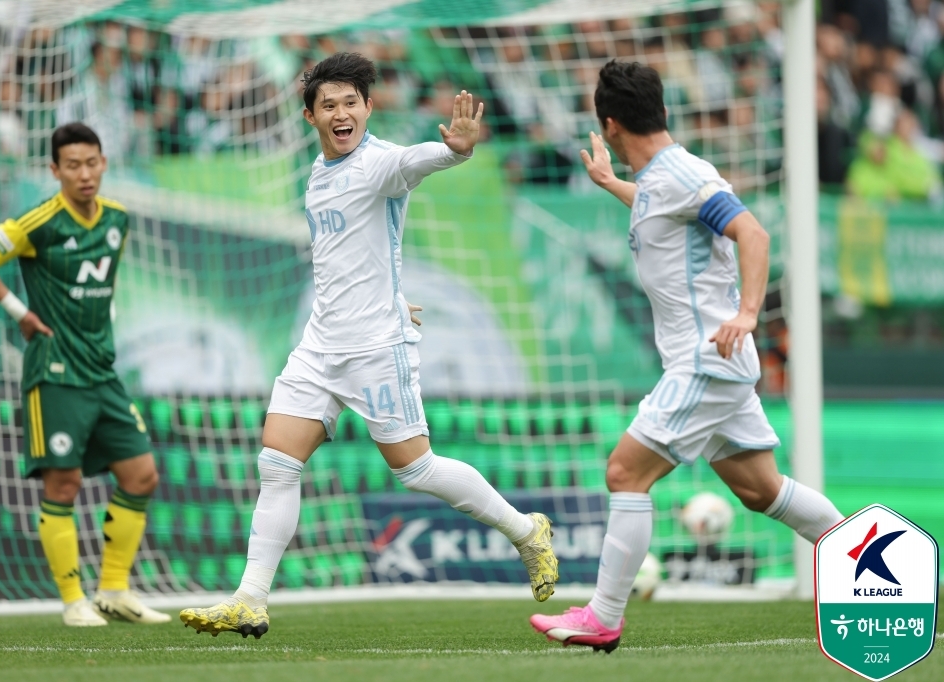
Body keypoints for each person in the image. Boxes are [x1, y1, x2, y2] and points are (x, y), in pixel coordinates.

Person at [179, 52, 559, 639]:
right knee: (277, 462)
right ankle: (250, 599)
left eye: (350, 102)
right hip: (319, 345)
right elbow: (350, 257)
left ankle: (525, 531)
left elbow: (416, 161)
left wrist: (456, 149)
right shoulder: (316, 176)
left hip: (376, 349)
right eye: (328, 104)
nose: (340, 112)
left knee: (417, 469)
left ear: (367, 108)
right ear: (311, 117)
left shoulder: (381, 164)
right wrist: (393, 290)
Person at [529, 61, 844, 652]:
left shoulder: (680, 175)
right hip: (715, 364)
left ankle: (603, 616)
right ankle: (878, 572)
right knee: (761, 491)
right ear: (664, 113)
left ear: (611, 124)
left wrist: (749, 313)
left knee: (625, 472)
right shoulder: (659, 179)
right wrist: (610, 184)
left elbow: (753, 234)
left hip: (705, 360)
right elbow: (661, 208)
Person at [0, 123, 169, 628]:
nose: (84, 173)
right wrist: (20, 312)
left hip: (102, 371)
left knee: (141, 474)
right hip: (54, 373)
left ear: (104, 163)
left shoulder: (117, 219)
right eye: (72, 165)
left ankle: (114, 590)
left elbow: (97, 288)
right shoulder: (42, 221)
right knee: (64, 482)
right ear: (55, 171)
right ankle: (74, 600)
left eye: (91, 162)